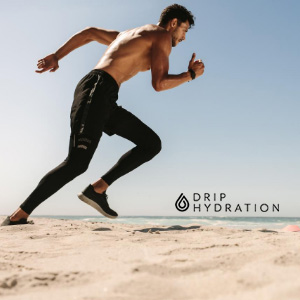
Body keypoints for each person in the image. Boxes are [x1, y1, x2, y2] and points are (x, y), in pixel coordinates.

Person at [1, 4, 205, 226]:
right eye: (184, 30)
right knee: (76, 163)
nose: (183, 38)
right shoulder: (162, 36)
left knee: (151, 143)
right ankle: (17, 216)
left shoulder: (129, 35)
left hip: (104, 95)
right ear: (173, 23)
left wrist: (57, 56)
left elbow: (89, 33)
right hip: (97, 90)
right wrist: (190, 75)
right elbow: (159, 83)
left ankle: (97, 190)